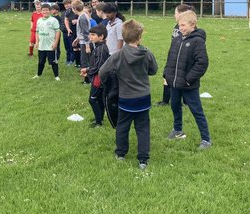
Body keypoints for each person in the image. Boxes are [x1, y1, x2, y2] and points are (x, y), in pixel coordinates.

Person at [98, 19, 158, 169]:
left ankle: (121, 153)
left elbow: (102, 72)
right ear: (140, 37)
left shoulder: (118, 55)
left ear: (123, 37)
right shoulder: (147, 54)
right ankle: (143, 159)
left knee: (122, 126)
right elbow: (153, 70)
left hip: (126, 98)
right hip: (143, 97)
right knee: (143, 128)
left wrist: (109, 83)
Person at [163, 9, 211, 148]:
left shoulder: (198, 41)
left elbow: (202, 63)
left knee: (197, 110)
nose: (180, 28)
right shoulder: (176, 39)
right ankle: (178, 130)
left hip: (189, 85)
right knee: (175, 106)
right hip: (174, 83)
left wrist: (188, 79)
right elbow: (170, 58)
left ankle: (206, 139)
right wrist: (167, 74)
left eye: (183, 25)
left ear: (193, 24)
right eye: (179, 25)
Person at [155, 2, 195, 105]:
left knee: (181, 78)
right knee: (167, 77)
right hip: (174, 55)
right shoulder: (177, 26)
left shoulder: (185, 28)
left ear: (182, 14)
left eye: (175, 13)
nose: (174, 15)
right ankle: (166, 101)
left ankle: (185, 101)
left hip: (181, 58)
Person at [85, 23, 111, 126]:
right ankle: (99, 118)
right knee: (99, 98)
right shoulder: (98, 46)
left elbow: (99, 66)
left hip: (99, 78)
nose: (90, 37)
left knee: (92, 99)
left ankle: (98, 122)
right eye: (90, 34)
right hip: (98, 76)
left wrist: (88, 72)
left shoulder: (101, 49)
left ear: (101, 37)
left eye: (93, 35)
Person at [34, 2, 61, 80]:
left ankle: (56, 76)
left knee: (53, 62)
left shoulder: (54, 20)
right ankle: (38, 75)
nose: (45, 12)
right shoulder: (39, 20)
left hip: (51, 45)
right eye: (43, 10)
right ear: (41, 11)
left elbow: (58, 32)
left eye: (47, 10)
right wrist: (37, 42)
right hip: (42, 46)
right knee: (41, 61)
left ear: (50, 11)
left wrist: (55, 43)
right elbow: (37, 32)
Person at [60, 0, 75, 64]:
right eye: (65, 4)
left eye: (68, 4)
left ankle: (72, 60)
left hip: (71, 32)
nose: (67, 5)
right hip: (64, 33)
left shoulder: (73, 12)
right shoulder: (63, 13)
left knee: (71, 46)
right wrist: (62, 28)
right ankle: (67, 59)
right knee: (67, 47)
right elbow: (61, 22)